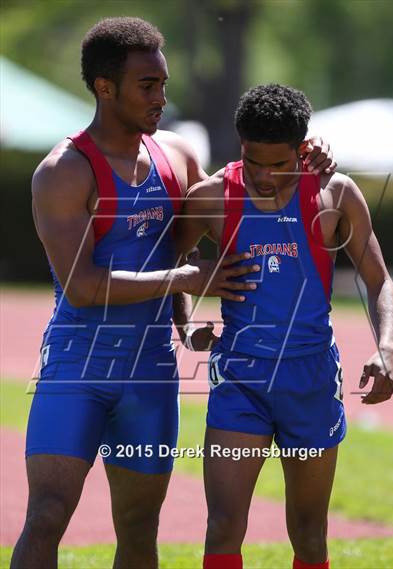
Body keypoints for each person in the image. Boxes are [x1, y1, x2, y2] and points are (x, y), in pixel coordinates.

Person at [11, 16, 335, 569]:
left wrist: (309, 156)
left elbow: (236, 203)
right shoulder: (63, 172)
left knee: (139, 528)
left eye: (163, 82)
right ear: (104, 87)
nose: (162, 96)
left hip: (151, 373)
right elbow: (85, 287)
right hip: (77, 367)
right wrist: (184, 283)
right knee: (46, 515)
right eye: (148, 85)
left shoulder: (178, 156)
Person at [176, 84, 393, 569]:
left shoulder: (334, 192)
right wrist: (187, 320)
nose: (263, 176)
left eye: (278, 165)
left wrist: (387, 348)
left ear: (304, 150)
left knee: (309, 535)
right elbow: (174, 263)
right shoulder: (212, 196)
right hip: (241, 382)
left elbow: (379, 280)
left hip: (311, 382)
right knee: (223, 528)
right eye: (253, 161)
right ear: (240, 147)